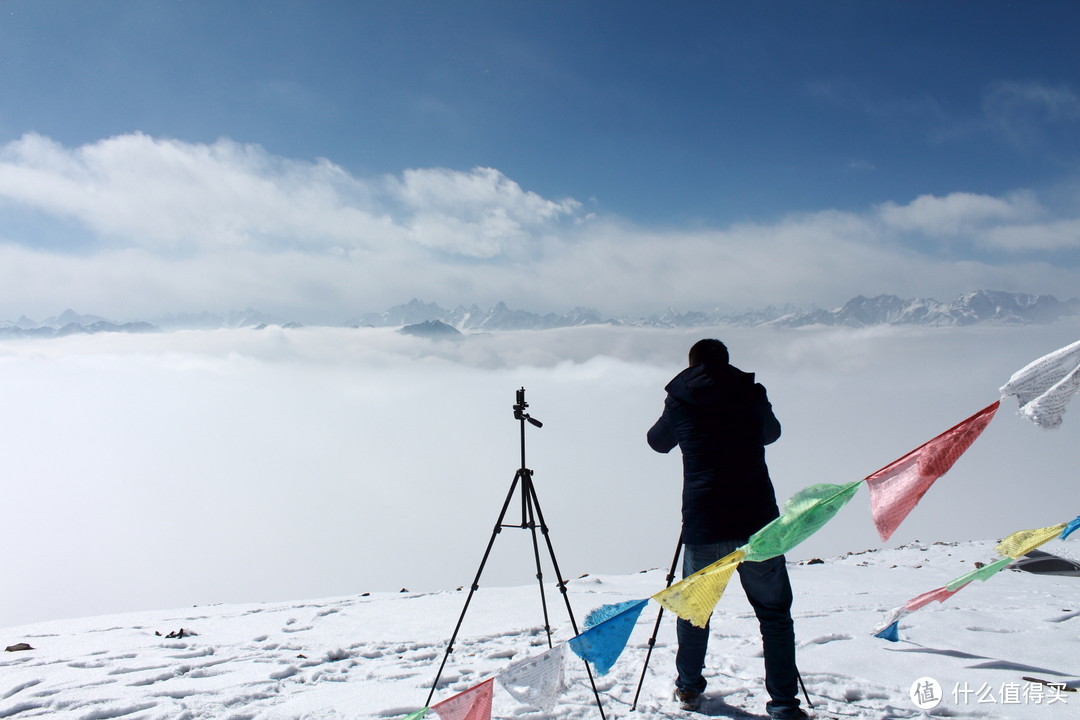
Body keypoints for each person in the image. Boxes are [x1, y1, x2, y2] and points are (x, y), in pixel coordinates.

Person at [647, 339, 806, 719]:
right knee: (774, 614)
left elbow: (657, 442)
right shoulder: (751, 394)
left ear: (692, 364)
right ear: (727, 361)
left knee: (694, 611)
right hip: (758, 523)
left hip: (706, 522)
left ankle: (688, 688)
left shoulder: (681, 399)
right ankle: (783, 703)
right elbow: (772, 433)